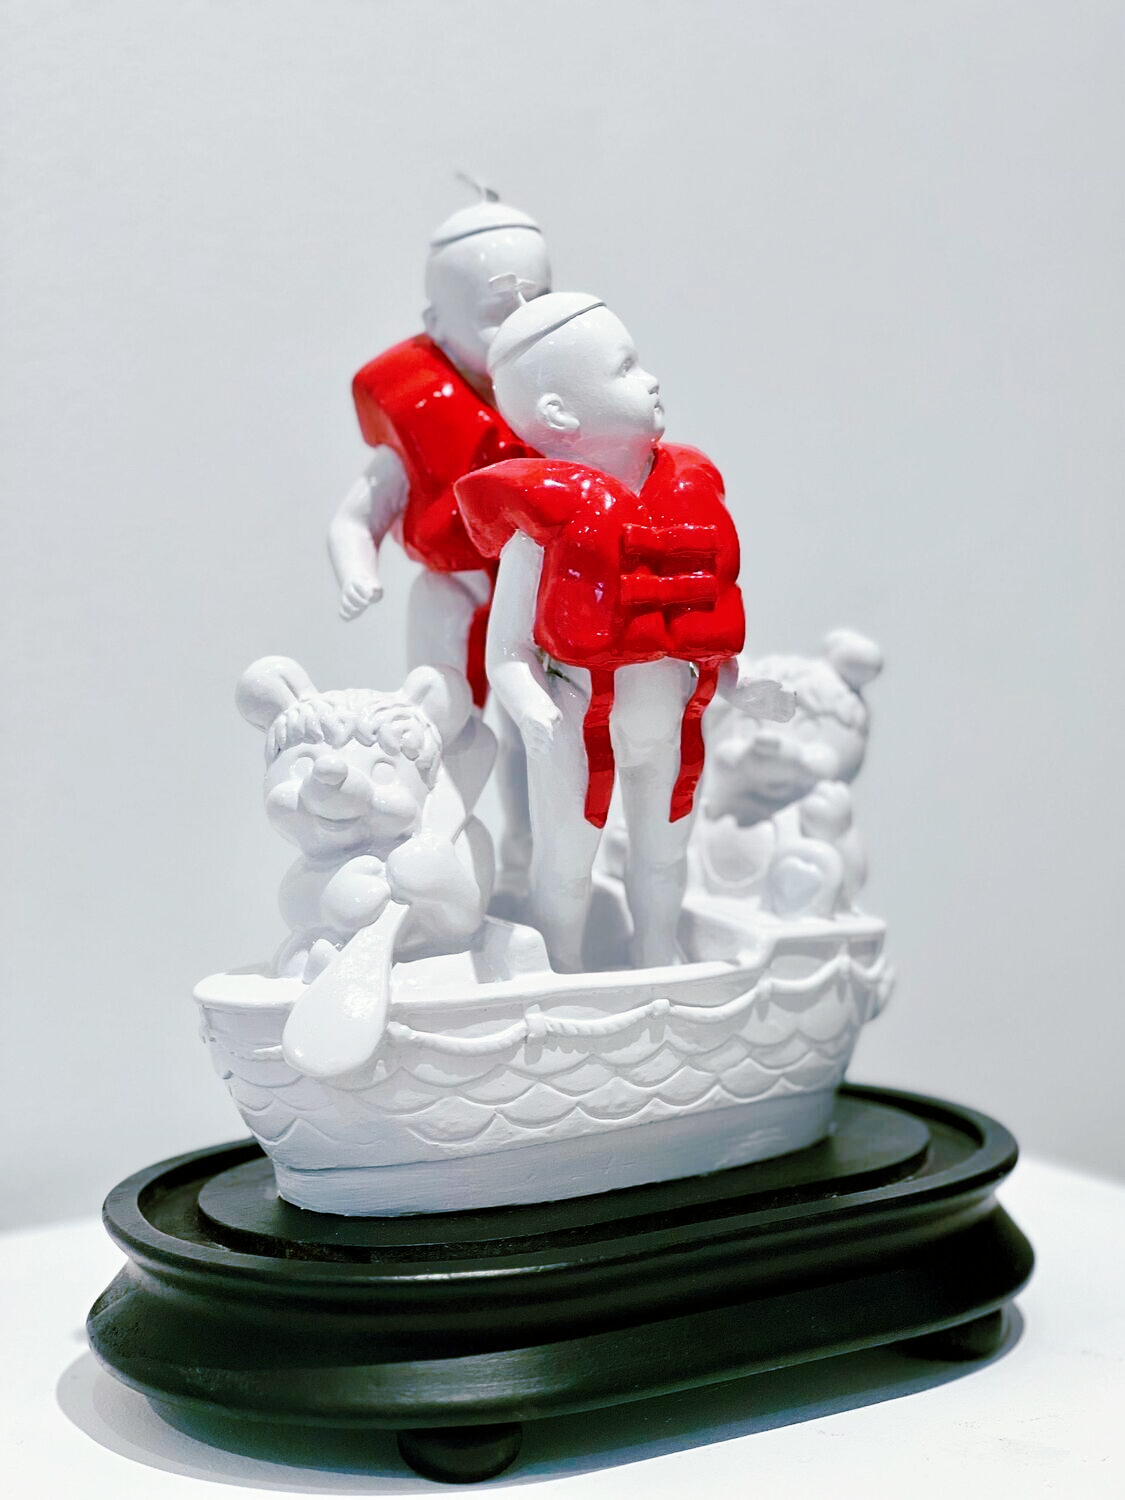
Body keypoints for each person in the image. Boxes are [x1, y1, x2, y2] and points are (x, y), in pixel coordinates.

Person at [455, 293, 792, 972]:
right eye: (625, 369)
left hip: (670, 722)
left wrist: (742, 682)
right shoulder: (538, 532)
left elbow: (705, 626)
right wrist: (532, 710)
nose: (652, 380)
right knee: (566, 865)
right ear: (559, 413)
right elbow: (507, 654)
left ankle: (656, 949)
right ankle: (564, 964)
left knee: (664, 856)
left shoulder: (685, 498)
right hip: (576, 721)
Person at [327, 191, 551, 900]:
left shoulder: (559, 404)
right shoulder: (421, 414)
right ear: (435, 324)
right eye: (497, 311)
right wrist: (356, 568)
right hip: (453, 591)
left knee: (536, 733)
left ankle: (527, 860)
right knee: (437, 725)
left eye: (539, 299)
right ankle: (434, 855)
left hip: (535, 593)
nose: (523, 321)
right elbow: (355, 516)